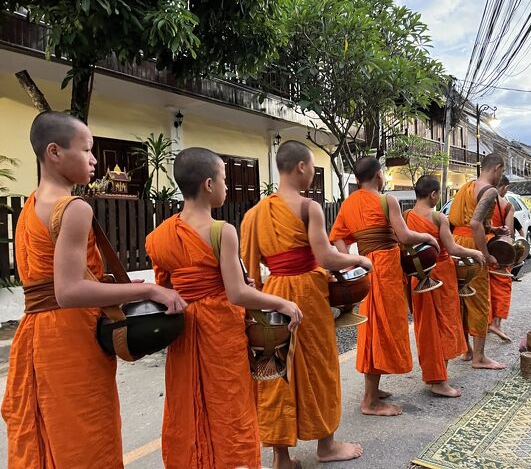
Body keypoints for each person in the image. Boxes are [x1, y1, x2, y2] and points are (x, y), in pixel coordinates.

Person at [1, 111, 187, 468]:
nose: (94, 159)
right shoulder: (72, 208)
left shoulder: (30, 205)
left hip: (36, 335)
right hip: (70, 336)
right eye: (86, 150)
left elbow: (57, 284)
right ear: (54, 152)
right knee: (86, 441)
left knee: (49, 435)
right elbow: (69, 291)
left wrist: (115, 286)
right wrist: (146, 292)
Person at [146, 147, 304, 469]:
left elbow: (165, 291)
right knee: (230, 408)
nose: (227, 187)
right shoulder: (222, 231)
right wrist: (282, 302)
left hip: (184, 336)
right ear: (208, 184)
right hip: (221, 335)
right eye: (224, 179)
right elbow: (237, 293)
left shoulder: (159, 237)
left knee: (190, 406)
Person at [240, 141, 370, 469]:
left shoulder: (254, 214)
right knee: (320, 366)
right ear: (300, 167)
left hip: (274, 295)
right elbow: (325, 256)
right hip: (308, 295)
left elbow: (249, 272)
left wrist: (258, 309)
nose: (313, 173)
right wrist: (358, 259)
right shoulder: (308, 207)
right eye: (312, 167)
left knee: (276, 369)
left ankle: (280, 457)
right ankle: (326, 445)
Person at [329, 157, 437, 416]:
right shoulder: (386, 200)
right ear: (379, 176)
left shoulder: (349, 203)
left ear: (357, 179)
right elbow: (404, 236)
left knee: (372, 328)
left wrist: (352, 264)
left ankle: (373, 391)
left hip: (367, 270)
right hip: (385, 269)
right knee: (382, 330)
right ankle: (370, 401)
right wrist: (428, 237)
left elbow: (337, 238)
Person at [404, 176, 485, 397]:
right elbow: (451, 248)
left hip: (418, 278)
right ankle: (439, 381)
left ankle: (434, 376)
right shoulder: (438, 217)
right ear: (433, 194)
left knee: (426, 328)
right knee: (445, 325)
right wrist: (474, 252)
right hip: (440, 276)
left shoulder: (405, 217)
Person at [448, 153, 506, 370]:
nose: (502, 176)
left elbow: (463, 221)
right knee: (480, 300)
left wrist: (493, 229)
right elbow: (474, 224)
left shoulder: (468, 186)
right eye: (503, 171)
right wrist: (486, 254)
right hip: (472, 247)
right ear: (497, 168)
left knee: (462, 297)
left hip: (457, 243)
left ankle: (467, 350)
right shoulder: (490, 191)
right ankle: (479, 357)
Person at [488, 176, 516, 342]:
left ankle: (486, 321)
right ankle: (496, 324)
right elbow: (509, 233)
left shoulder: (479, 200)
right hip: (499, 252)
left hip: (482, 248)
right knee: (502, 286)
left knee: (486, 288)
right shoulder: (506, 205)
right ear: (504, 187)